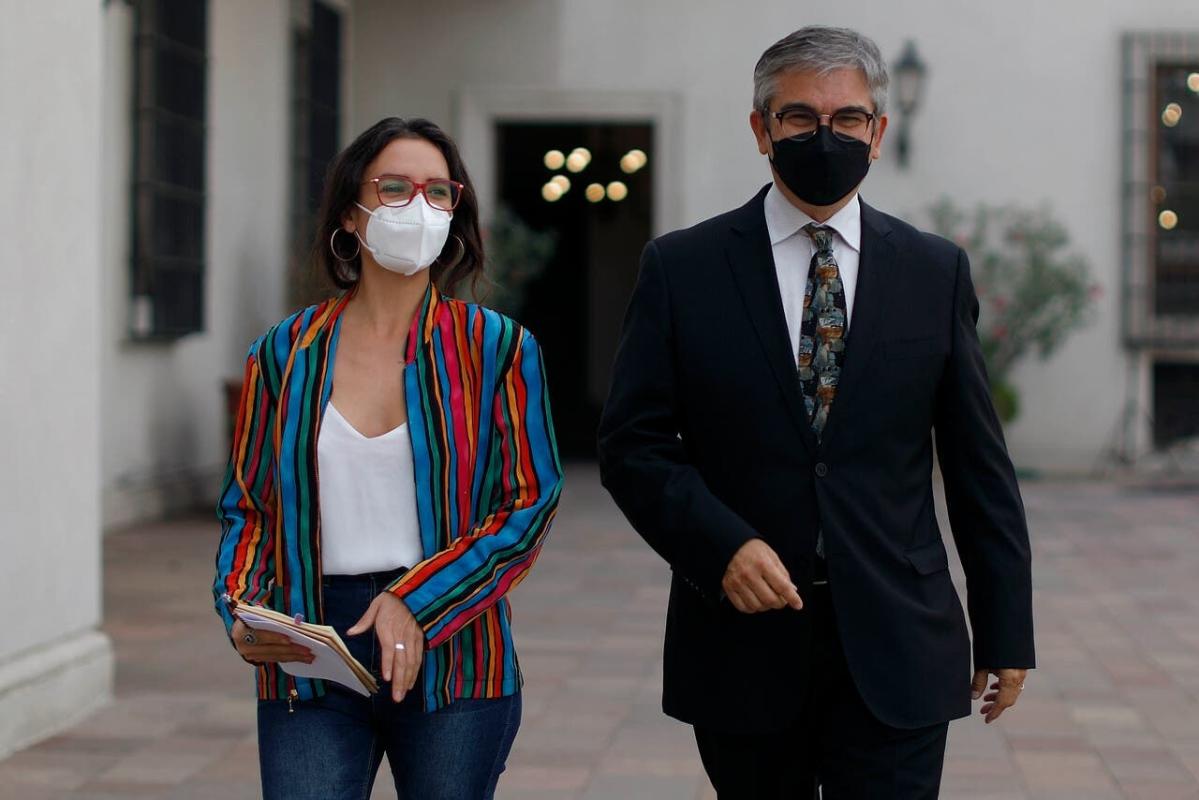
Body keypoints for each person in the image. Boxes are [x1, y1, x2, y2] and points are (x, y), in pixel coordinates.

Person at [597, 26, 1034, 799]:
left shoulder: (933, 272)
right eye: (799, 116)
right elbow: (632, 445)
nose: (824, 136)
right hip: (741, 643)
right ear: (760, 128)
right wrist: (720, 547)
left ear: (878, 131)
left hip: (898, 638)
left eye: (848, 118)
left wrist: (1005, 627)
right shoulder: (682, 269)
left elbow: (978, 465)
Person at [213, 117, 563, 800]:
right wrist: (243, 608)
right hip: (311, 646)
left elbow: (529, 502)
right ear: (351, 211)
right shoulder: (282, 353)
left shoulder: (497, 347)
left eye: (438, 191)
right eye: (395, 188)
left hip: (457, 651)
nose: (418, 207)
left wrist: (417, 601)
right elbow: (248, 505)